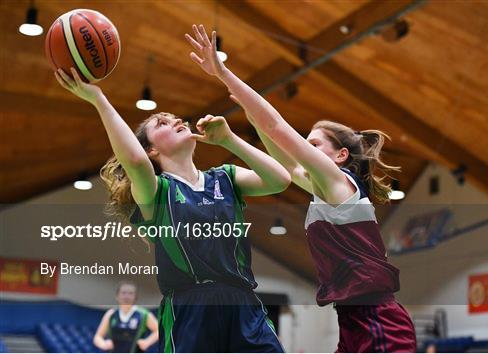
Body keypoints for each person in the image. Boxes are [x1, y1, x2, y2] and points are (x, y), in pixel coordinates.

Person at [186, 24, 417, 353]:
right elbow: (288, 165)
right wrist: (249, 122)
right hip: (355, 321)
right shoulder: (325, 190)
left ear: (340, 155)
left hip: (378, 321)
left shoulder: (339, 184)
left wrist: (224, 73)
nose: (305, 148)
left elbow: (277, 127)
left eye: (314, 143)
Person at [54, 66, 289, 352]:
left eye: (174, 118)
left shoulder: (225, 177)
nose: (175, 119)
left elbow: (280, 180)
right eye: (162, 123)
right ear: (152, 150)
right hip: (190, 309)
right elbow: (136, 163)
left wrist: (230, 140)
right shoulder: (157, 191)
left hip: (243, 302)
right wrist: (99, 99)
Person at [94, 280, 158, 352]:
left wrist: (147, 342)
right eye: (123, 293)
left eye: (130, 293)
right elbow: (97, 337)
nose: (127, 296)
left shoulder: (143, 314)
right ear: (117, 296)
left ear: (135, 297)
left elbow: (159, 331)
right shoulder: (111, 314)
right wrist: (104, 344)